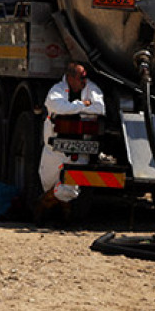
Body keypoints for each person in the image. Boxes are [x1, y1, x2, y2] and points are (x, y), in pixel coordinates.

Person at [39, 61, 105, 211]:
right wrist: (83, 105)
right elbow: (58, 107)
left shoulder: (91, 88)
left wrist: (72, 108)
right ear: (70, 78)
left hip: (81, 146)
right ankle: (47, 207)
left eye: (84, 78)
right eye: (80, 78)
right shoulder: (57, 90)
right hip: (54, 149)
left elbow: (99, 108)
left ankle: (61, 211)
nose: (83, 82)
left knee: (71, 186)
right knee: (48, 182)